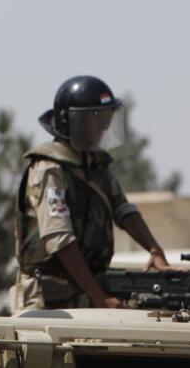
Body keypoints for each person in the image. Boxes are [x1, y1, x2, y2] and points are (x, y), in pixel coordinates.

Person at [12, 75, 172, 310]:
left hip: (86, 295)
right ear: (70, 122)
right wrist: (100, 297)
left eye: (106, 119)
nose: (103, 127)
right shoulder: (49, 169)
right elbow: (60, 239)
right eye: (94, 119)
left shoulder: (96, 166)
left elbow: (123, 209)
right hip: (47, 302)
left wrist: (155, 251)